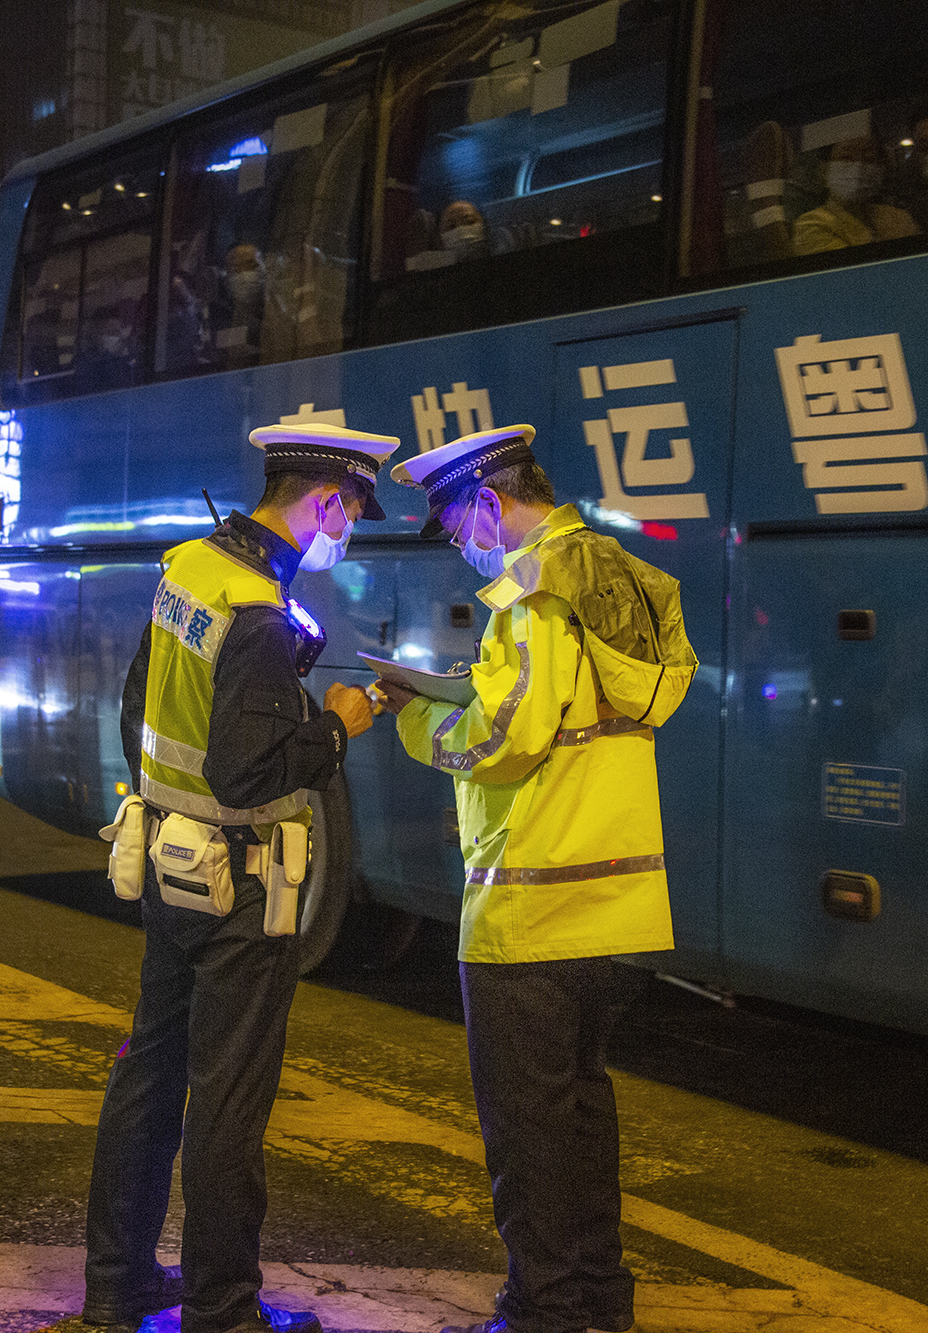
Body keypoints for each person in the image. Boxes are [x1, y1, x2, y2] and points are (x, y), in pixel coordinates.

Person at [377, 425, 696, 1333]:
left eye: (456, 524)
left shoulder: (532, 594)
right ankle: (600, 1296)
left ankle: (541, 1308)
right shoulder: (621, 578)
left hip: (532, 911)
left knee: (526, 1132)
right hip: (621, 909)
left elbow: (505, 736)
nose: (462, 544)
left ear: (488, 502)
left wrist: (416, 723)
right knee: (585, 1114)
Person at [84, 420, 398, 1331]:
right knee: (228, 1096)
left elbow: (140, 708)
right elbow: (248, 770)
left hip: (169, 864)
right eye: (352, 511)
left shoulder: (190, 569)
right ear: (326, 499)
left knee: (149, 1070)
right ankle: (223, 1306)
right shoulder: (257, 608)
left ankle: (118, 1280)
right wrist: (337, 725)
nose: (348, 531)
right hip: (243, 888)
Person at [792, 135, 921, 255]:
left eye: (869, 158)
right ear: (824, 169)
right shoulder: (811, 224)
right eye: (846, 157)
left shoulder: (898, 217)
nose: (858, 166)